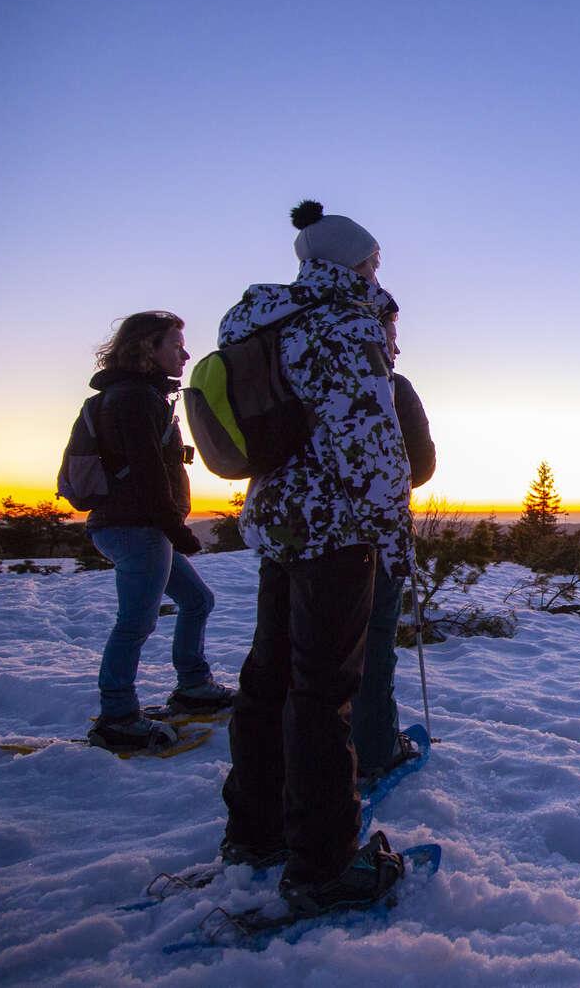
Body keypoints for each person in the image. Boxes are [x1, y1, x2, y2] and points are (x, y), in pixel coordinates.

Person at [216, 200, 415, 915]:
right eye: (373, 261)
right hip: (336, 526)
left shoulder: (263, 321)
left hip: (278, 518)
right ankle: (324, 864)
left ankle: (256, 831)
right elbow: (370, 444)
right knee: (323, 691)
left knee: (269, 679)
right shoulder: (345, 323)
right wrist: (393, 536)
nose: (377, 271)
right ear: (352, 263)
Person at [84, 311, 233, 751]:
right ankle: (117, 716)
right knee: (135, 622)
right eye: (176, 345)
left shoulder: (138, 395)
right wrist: (175, 527)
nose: (185, 355)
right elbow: (148, 471)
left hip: (139, 525)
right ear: (147, 348)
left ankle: (193, 686)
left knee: (197, 600)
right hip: (135, 527)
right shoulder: (133, 399)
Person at [352, 295, 437, 785]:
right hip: (374, 536)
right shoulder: (390, 387)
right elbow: (419, 467)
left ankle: (310, 743)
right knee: (374, 641)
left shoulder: (297, 369)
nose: (397, 347)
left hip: (298, 534)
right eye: (392, 334)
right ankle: (376, 747)